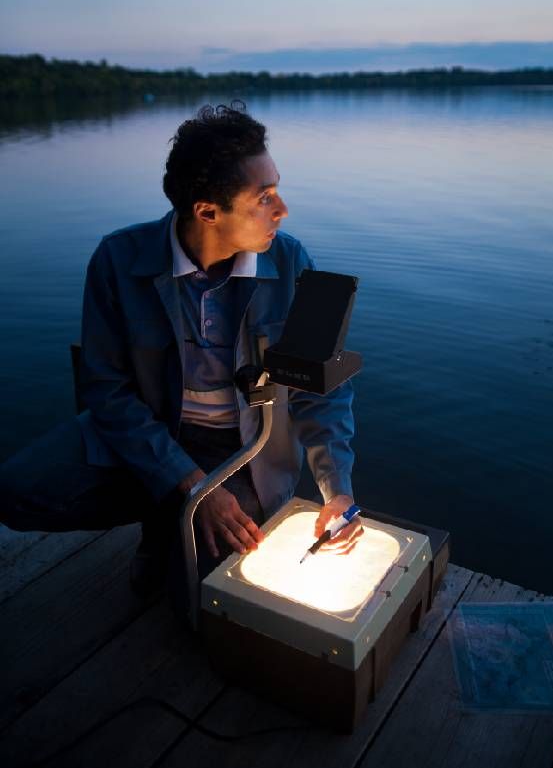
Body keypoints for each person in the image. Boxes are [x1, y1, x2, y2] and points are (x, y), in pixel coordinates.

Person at [0, 102, 363, 618]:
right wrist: (190, 485)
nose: (282, 210)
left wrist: (337, 489)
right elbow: (107, 391)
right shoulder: (118, 261)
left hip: (242, 447)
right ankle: (165, 514)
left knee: (199, 610)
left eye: (277, 189)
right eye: (264, 198)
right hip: (145, 435)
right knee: (18, 492)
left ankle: (171, 528)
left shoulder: (290, 262)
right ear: (207, 211)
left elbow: (318, 390)